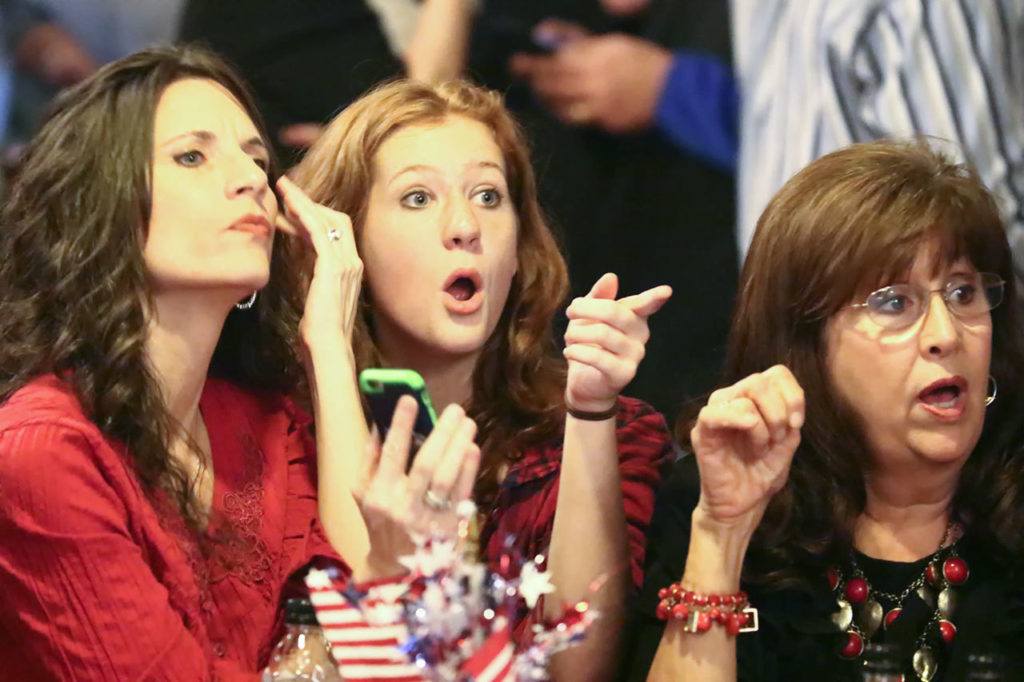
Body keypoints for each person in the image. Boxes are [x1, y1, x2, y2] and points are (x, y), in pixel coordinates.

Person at [0, 45, 478, 680]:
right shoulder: (42, 452)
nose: (252, 179)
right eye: (192, 157)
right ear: (100, 203)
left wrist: (329, 340)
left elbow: (358, 593)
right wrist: (382, 593)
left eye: (256, 157)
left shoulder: (262, 422)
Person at [292, 78, 675, 680]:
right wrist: (329, 345)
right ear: (350, 245)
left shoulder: (611, 431)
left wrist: (590, 411)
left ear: (520, 248)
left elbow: (575, 671)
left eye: (489, 196)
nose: (465, 224)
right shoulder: (282, 437)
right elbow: (369, 622)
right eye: (418, 197)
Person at [621, 140, 1024, 681]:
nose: (946, 335)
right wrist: (722, 537)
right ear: (806, 347)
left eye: (963, 293)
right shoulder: (717, 502)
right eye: (895, 302)